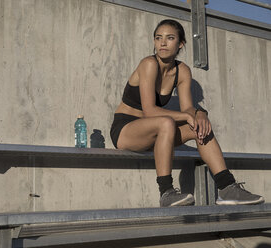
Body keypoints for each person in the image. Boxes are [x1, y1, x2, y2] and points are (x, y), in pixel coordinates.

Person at [110, 19, 264, 207]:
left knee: (198, 127)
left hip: (155, 135)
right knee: (166, 122)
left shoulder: (182, 71)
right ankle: (166, 192)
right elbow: (150, 111)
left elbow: (188, 108)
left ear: (180, 44)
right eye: (158, 38)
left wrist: (200, 114)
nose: (163, 43)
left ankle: (227, 187)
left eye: (170, 38)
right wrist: (186, 116)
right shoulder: (149, 64)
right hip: (126, 130)